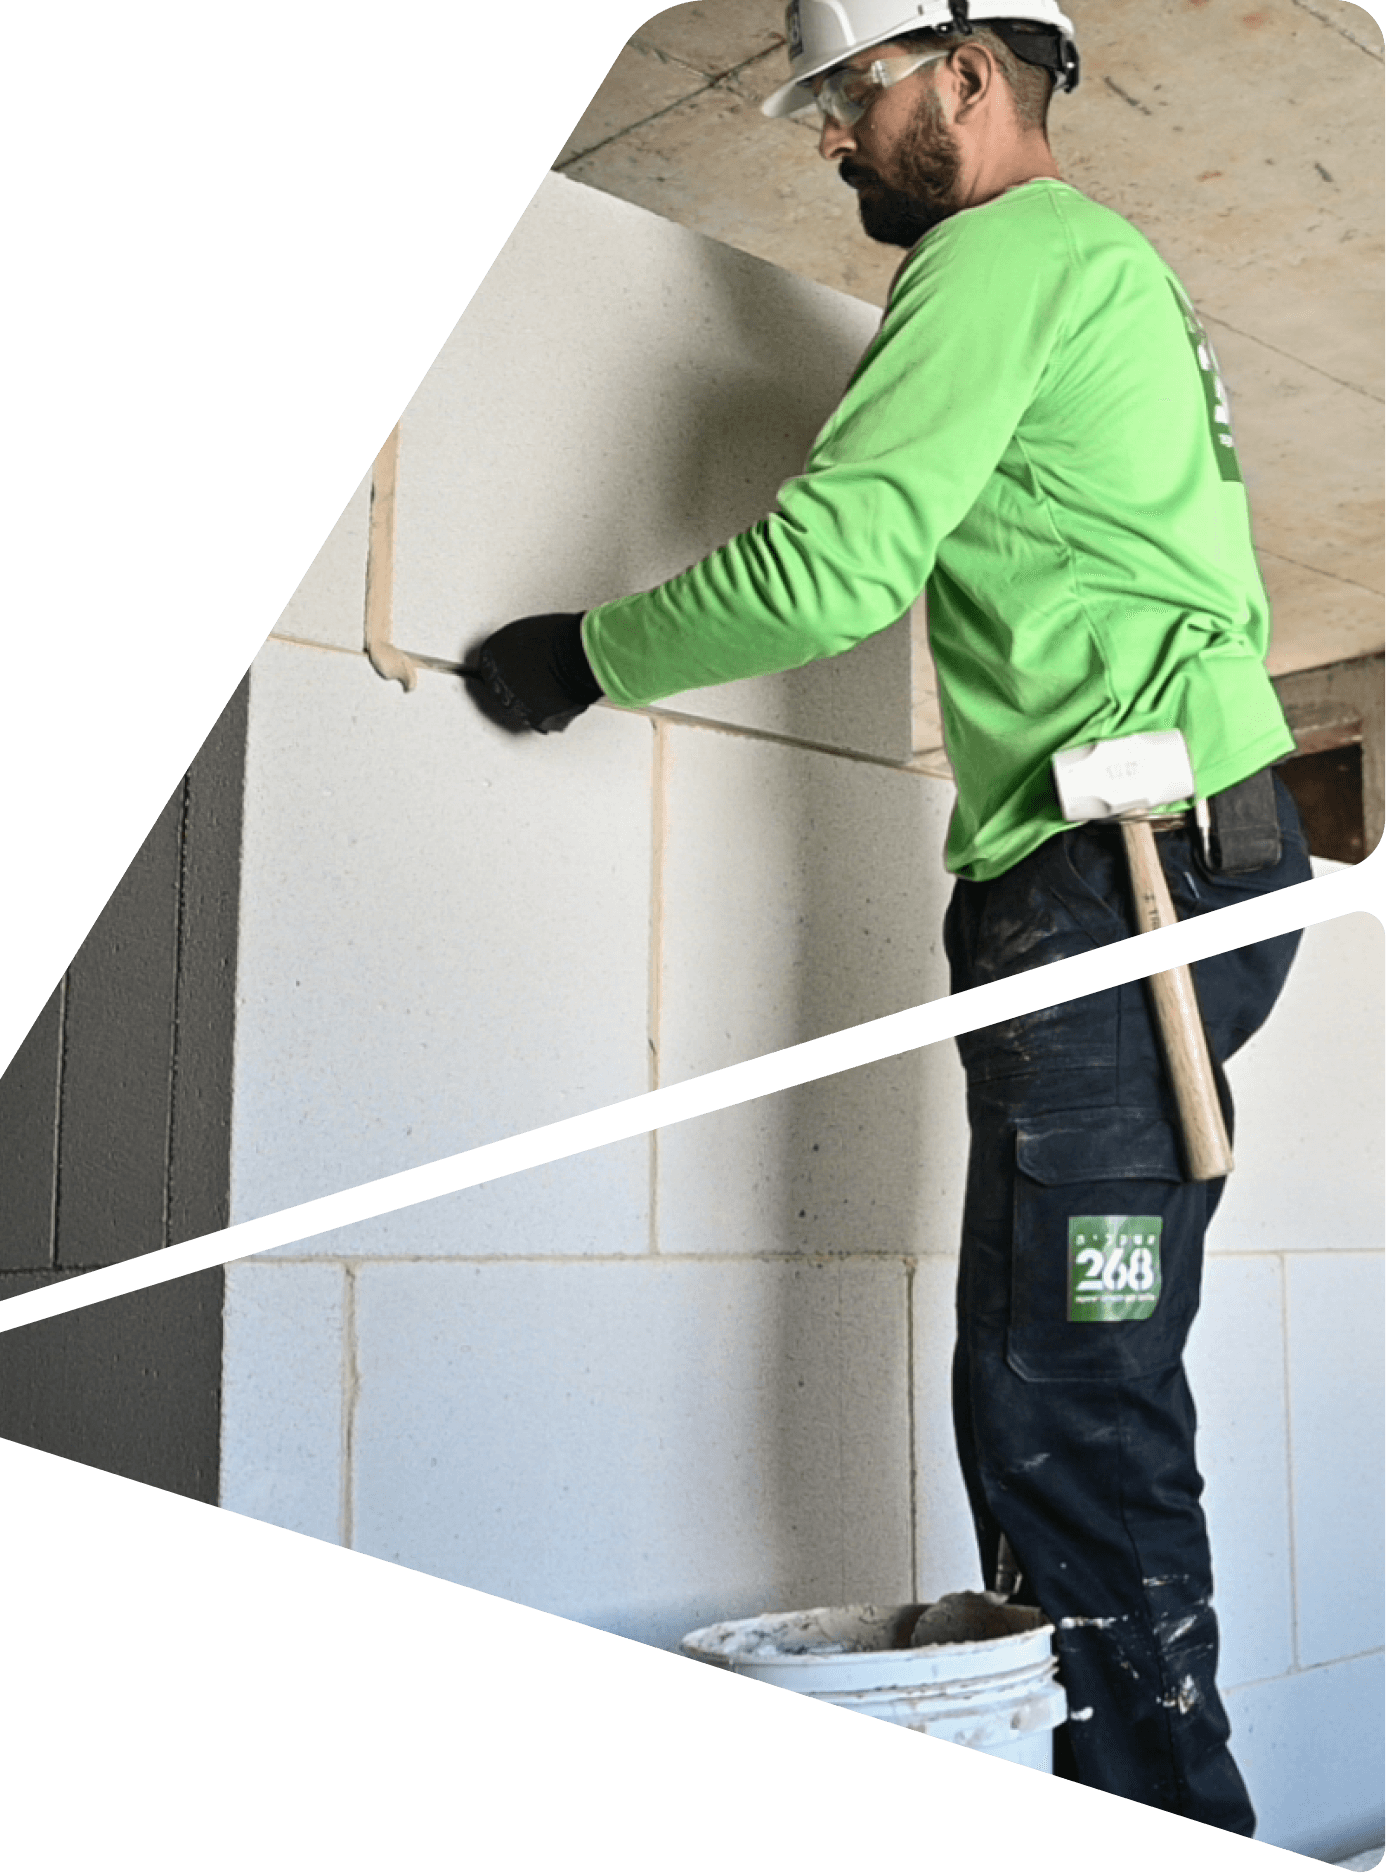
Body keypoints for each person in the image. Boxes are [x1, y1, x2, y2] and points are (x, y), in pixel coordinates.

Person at [471, 0, 1311, 1835]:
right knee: (1063, 1384)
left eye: (849, 94)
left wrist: (586, 657)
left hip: (1119, 879)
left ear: (969, 74)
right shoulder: (1104, 268)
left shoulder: (1002, 254)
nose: (833, 138)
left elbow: (835, 568)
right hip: (1175, 868)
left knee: (1068, 1397)